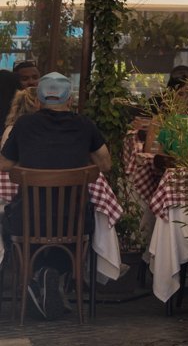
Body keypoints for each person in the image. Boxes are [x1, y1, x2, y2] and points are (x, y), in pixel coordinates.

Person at [0, 73, 110, 319]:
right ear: (69, 100)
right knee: (80, 225)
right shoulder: (85, 125)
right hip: (73, 222)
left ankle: (37, 274)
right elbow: (105, 163)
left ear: (38, 101)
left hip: (28, 223)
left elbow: (4, 164)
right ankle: (54, 271)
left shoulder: (24, 125)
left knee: (10, 224)